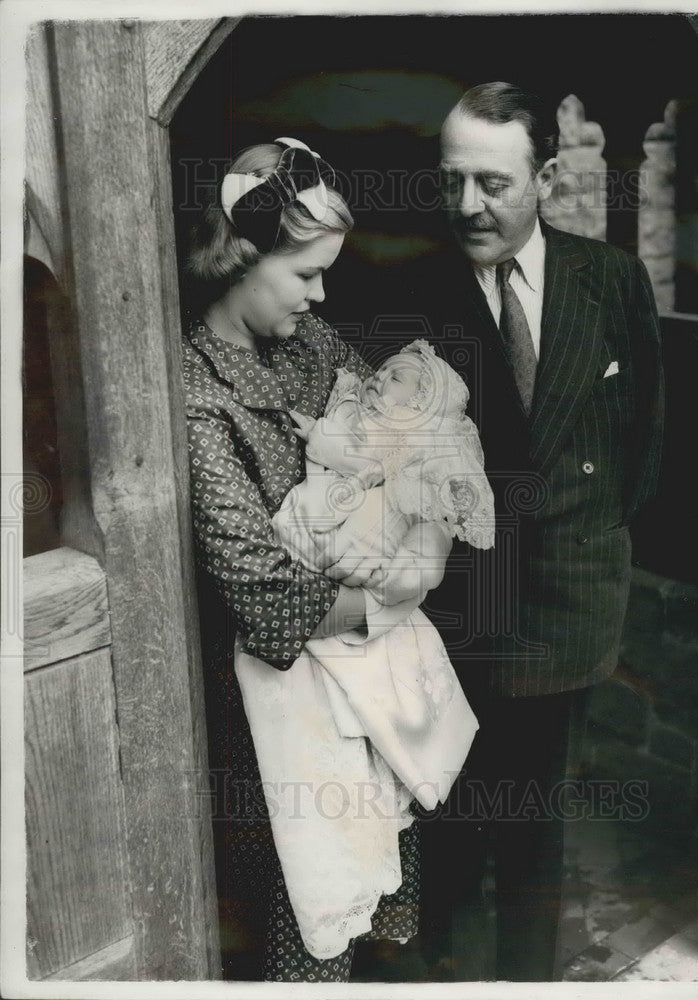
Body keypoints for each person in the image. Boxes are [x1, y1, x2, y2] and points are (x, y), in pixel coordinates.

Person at [397, 82, 664, 981]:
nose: (466, 206)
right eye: (451, 182)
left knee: (535, 826)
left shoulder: (612, 281)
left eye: (492, 183)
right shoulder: (410, 292)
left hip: (567, 605)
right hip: (456, 615)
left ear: (544, 176)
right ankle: (440, 962)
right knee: (447, 816)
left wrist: (583, 545)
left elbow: (644, 445)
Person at [182, 139, 451, 982]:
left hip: (363, 682)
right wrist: (398, 596)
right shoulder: (195, 393)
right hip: (273, 709)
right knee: (304, 899)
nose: (322, 293)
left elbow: (413, 445)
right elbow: (266, 599)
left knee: (374, 872)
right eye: (305, 274)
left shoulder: (313, 343)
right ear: (240, 257)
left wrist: (424, 540)